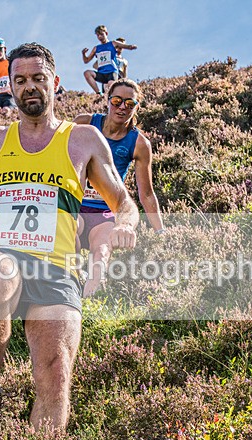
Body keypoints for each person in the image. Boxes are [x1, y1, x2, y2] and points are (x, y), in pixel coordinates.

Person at [0, 42, 139, 440]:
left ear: (56, 83)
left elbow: (124, 202)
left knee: (55, 373)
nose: (29, 87)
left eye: (38, 79)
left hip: (57, 269)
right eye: (19, 80)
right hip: (3, 255)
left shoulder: (84, 139)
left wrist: (126, 224)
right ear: (12, 87)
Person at [73, 79, 165, 297]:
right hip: (76, 205)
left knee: (102, 249)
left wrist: (161, 232)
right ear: (107, 101)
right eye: (116, 101)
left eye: (129, 103)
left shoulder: (139, 143)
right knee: (69, 236)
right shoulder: (84, 123)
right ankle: (71, 290)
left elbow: (147, 194)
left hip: (105, 211)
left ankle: (91, 298)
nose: (122, 107)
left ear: (136, 107)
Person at [82, 25, 137, 95]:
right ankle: (99, 93)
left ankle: (111, 99)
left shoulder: (113, 43)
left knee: (110, 86)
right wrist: (83, 54)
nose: (100, 37)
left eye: (101, 34)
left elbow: (125, 46)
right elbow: (86, 61)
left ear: (106, 33)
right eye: (98, 35)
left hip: (112, 72)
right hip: (102, 73)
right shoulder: (96, 48)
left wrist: (131, 47)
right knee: (87, 73)